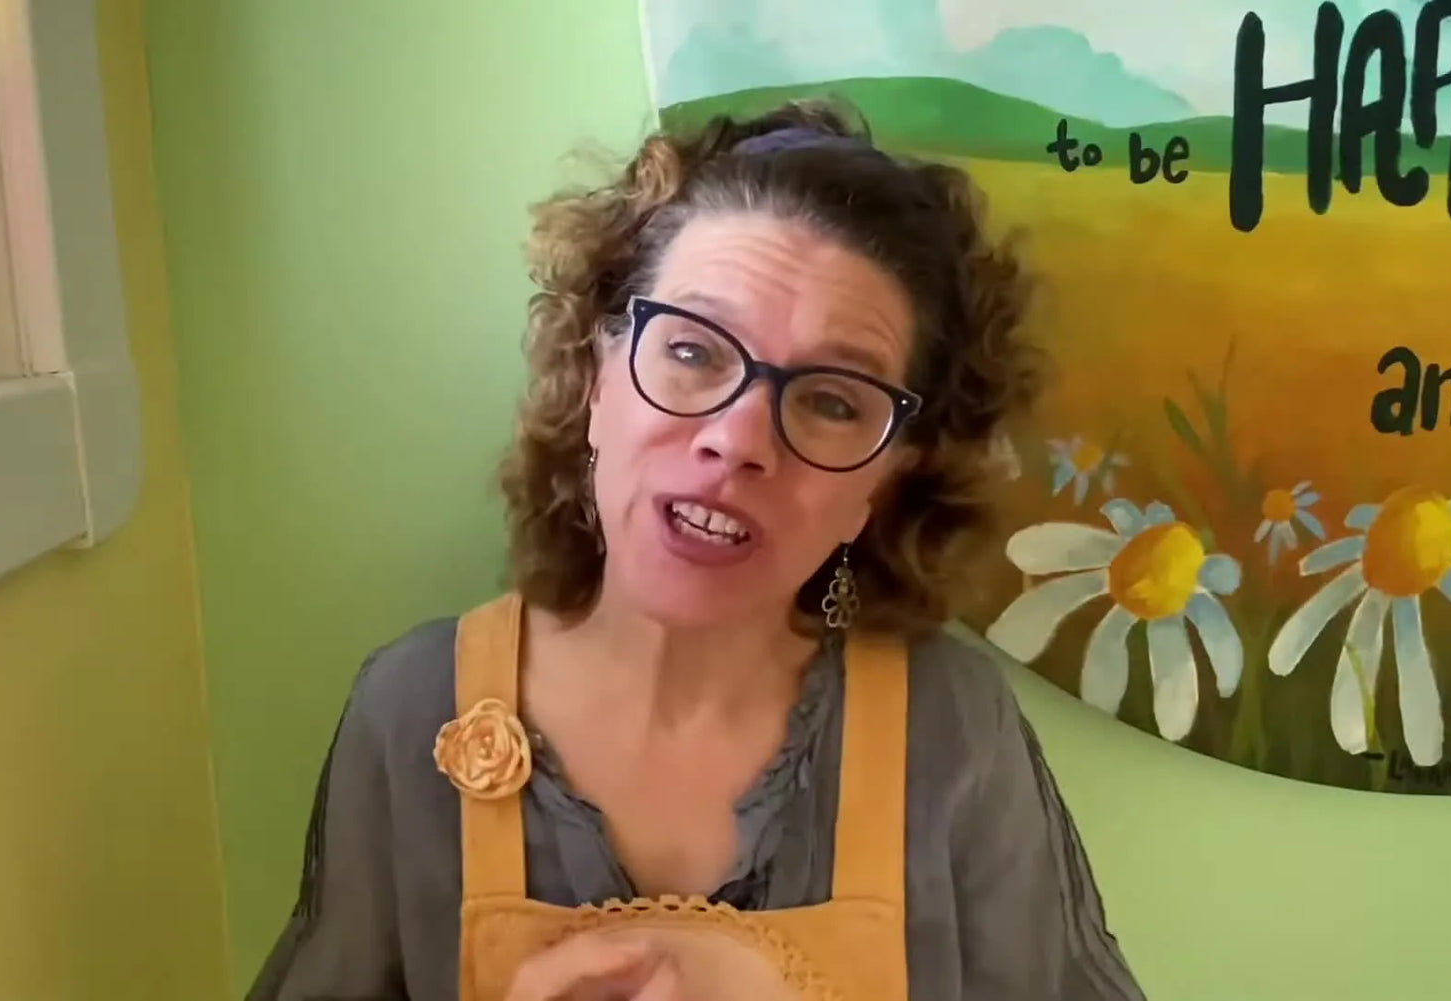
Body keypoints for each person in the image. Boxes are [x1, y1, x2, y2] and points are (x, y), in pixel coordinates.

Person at [246, 101, 1146, 1001]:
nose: (738, 437)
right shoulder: (410, 716)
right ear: (597, 379)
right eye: (691, 349)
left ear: (883, 481)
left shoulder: (952, 731)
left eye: (832, 401)